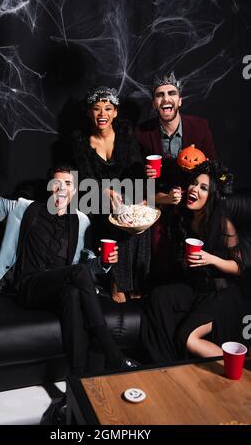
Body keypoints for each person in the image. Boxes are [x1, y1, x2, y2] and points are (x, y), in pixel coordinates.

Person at [0, 128, 139, 375]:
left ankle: (76, 382)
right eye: (58, 183)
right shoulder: (24, 210)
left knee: (73, 295)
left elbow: (88, 267)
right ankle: (111, 351)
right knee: (75, 276)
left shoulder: (81, 221)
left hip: (59, 289)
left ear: (75, 190)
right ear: (50, 186)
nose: (62, 188)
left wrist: (104, 263)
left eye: (68, 184)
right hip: (28, 287)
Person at [141, 160, 247, 363]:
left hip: (221, 294)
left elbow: (238, 268)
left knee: (186, 337)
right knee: (158, 296)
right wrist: (169, 198)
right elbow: (147, 200)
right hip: (197, 288)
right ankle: (166, 364)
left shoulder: (223, 224)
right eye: (194, 184)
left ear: (212, 196)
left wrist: (211, 259)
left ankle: (238, 367)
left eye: (203, 187)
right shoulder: (185, 214)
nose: (195, 189)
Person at [72, 86, 151, 303]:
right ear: (90, 113)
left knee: (138, 217)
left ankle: (137, 284)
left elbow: (136, 170)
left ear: (115, 112)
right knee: (116, 219)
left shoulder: (125, 134)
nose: (102, 114)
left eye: (107, 108)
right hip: (95, 201)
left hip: (127, 195)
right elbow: (86, 180)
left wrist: (139, 199)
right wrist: (104, 190)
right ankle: (118, 284)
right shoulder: (80, 140)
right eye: (97, 109)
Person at [136, 71, 217, 205]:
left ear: (179, 101)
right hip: (160, 202)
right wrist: (144, 173)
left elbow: (214, 169)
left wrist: (204, 167)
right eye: (159, 95)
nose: (166, 99)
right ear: (154, 104)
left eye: (171, 93)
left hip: (193, 201)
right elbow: (138, 184)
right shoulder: (141, 133)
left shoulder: (200, 127)